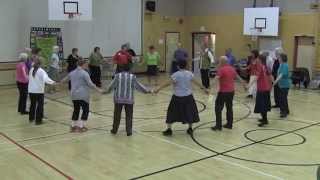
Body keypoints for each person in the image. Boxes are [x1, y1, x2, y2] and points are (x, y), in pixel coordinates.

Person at [155, 60, 207, 136]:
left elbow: (168, 83)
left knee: (171, 112)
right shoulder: (189, 74)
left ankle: (169, 129)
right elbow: (197, 82)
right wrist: (204, 89)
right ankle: (190, 128)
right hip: (188, 97)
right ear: (185, 66)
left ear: (178, 66)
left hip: (177, 97)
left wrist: (158, 89)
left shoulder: (176, 75)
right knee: (189, 112)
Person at [104, 64, 151, 136]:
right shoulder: (132, 77)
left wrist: (106, 92)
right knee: (129, 115)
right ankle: (129, 131)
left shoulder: (117, 76)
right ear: (129, 69)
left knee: (117, 115)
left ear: (122, 69)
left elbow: (112, 86)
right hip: (129, 99)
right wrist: (147, 91)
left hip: (118, 99)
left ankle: (114, 130)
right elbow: (138, 86)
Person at [61, 58, 103, 132]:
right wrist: (98, 89)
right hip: (83, 95)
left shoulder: (72, 72)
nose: (87, 66)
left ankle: (73, 126)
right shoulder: (84, 73)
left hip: (74, 95)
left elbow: (64, 80)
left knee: (76, 110)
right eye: (86, 64)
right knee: (85, 110)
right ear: (83, 64)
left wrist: (57, 83)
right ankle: (81, 126)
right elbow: (90, 84)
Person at [211, 56, 245, 131]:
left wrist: (209, 87)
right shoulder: (232, 69)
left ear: (222, 62)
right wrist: (244, 85)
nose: (219, 63)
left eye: (220, 61)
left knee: (218, 108)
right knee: (229, 107)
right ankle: (229, 124)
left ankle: (218, 126)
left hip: (223, 92)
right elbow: (238, 77)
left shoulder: (221, 69)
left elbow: (216, 79)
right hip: (231, 92)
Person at [28, 58, 56, 125]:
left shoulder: (31, 69)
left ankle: (31, 118)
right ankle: (38, 121)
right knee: (40, 106)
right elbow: (46, 79)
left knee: (32, 105)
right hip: (38, 91)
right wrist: (53, 82)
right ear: (41, 63)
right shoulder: (41, 71)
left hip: (31, 90)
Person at [247, 54, 273, 127]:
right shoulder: (265, 67)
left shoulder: (261, 67)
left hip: (262, 89)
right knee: (263, 105)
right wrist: (273, 83)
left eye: (258, 59)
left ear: (260, 60)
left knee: (262, 105)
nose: (256, 60)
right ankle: (264, 118)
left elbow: (257, 77)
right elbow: (270, 76)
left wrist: (249, 85)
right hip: (265, 88)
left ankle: (265, 120)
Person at [273, 53, 290, 118]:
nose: (278, 59)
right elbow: (278, 74)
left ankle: (283, 112)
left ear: (282, 58)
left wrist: (275, 82)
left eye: (279, 58)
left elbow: (281, 75)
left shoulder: (285, 65)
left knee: (282, 99)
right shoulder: (281, 65)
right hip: (281, 85)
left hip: (285, 85)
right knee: (283, 98)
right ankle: (287, 110)